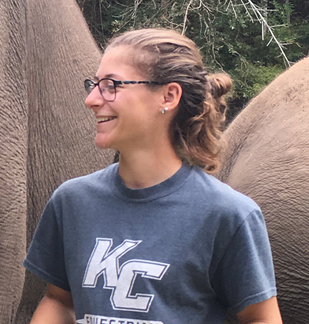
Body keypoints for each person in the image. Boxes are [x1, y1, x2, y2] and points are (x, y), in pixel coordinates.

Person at [25, 28, 283, 324]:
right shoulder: (71, 202)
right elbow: (60, 300)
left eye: (111, 85)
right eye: (94, 85)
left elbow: (260, 318)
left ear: (168, 95)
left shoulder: (230, 215)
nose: (92, 100)